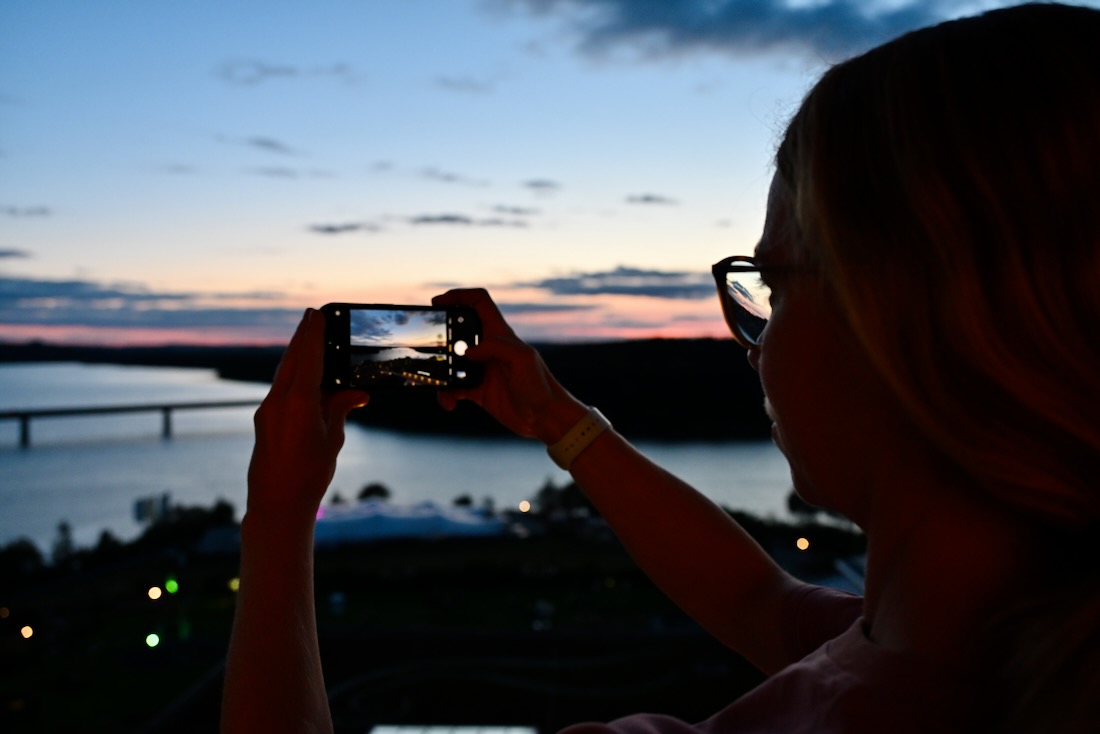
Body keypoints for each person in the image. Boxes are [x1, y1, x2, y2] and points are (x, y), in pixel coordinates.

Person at [221, 4, 1100, 733]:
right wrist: (557, 419)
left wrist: (278, 511)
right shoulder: (1003, 645)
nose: (749, 335)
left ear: (899, 321)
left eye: (775, 287)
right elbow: (762, 601)